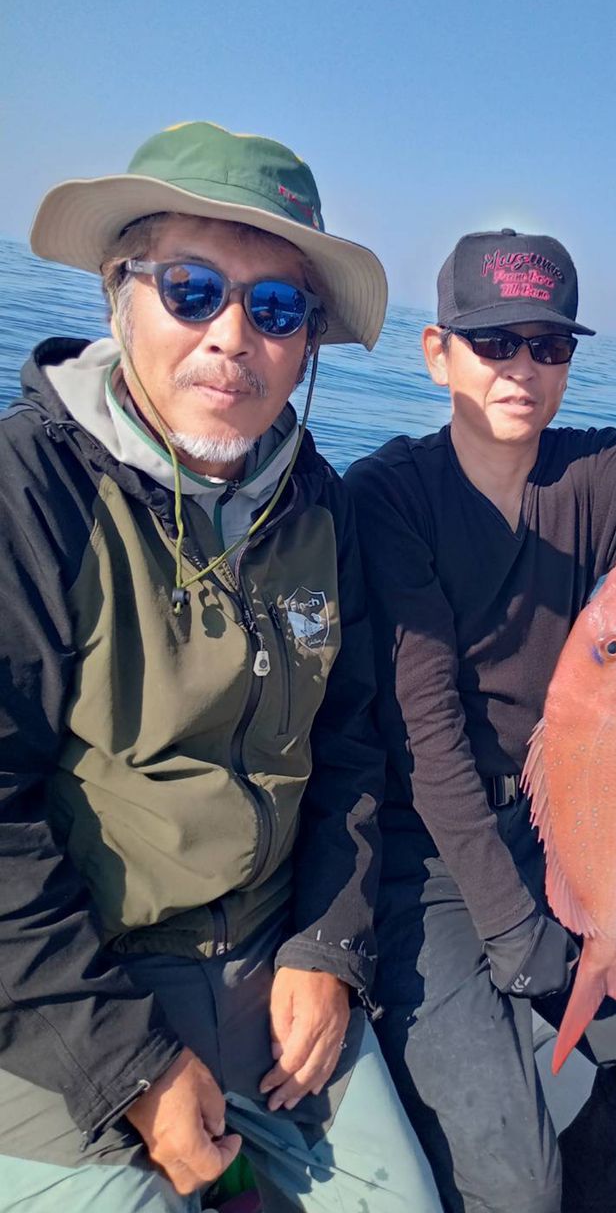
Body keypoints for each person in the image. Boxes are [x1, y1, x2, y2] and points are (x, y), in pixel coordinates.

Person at [0, 121, 441, 1212]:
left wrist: (330, 943)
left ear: (307, 343)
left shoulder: (322, 507)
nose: (232, 336)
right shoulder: (29, 493)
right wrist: (130, 1067)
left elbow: (348, 746)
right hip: (62, 999)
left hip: (266, 961)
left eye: (276, 308)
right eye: (192, 288)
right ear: (121, 293)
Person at [345, 227, 616, 1213]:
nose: (522, 368)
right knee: (511, 1173)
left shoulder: (595, 474)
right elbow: (428, 738)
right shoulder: (390, 497)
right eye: (493, 342)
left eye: (548, 345)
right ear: (436, 351)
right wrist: (512, 928)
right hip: (425, 859)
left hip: (560, 829)